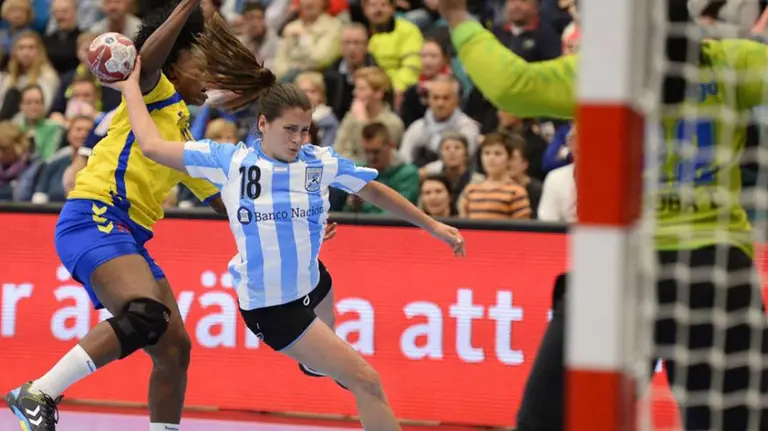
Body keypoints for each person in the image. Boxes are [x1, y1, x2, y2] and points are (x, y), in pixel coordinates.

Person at [111, 16, 465, 431]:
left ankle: (315, 364)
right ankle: (318, 360)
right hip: (272, 307)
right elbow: (151, 146)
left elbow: (374, 190)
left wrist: (433, 226)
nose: (299, 139)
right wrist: (130, 85)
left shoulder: (318, 160)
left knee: (324, 282)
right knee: (366, 382)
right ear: (263, 125)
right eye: (289, 130)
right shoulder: (230, 161)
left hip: (311, 284)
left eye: (305, 129)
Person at [437, 0, 768, 430]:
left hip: (619, 272)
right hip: (717, 273)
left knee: (551, 420)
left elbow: (510, 86)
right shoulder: (730, 61)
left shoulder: (599, 77)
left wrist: (458, 18)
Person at [4, 2, 332, 431]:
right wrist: (187, 6)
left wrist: (296, 224)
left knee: (174, 349)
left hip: (127, 235)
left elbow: (231, 203)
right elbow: (146, 60)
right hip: (94, 216)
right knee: (145, 314)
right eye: (199, 63)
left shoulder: (182, 135)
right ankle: (39, 392)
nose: (210, 79)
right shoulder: (150, 93)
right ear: (174, 66)